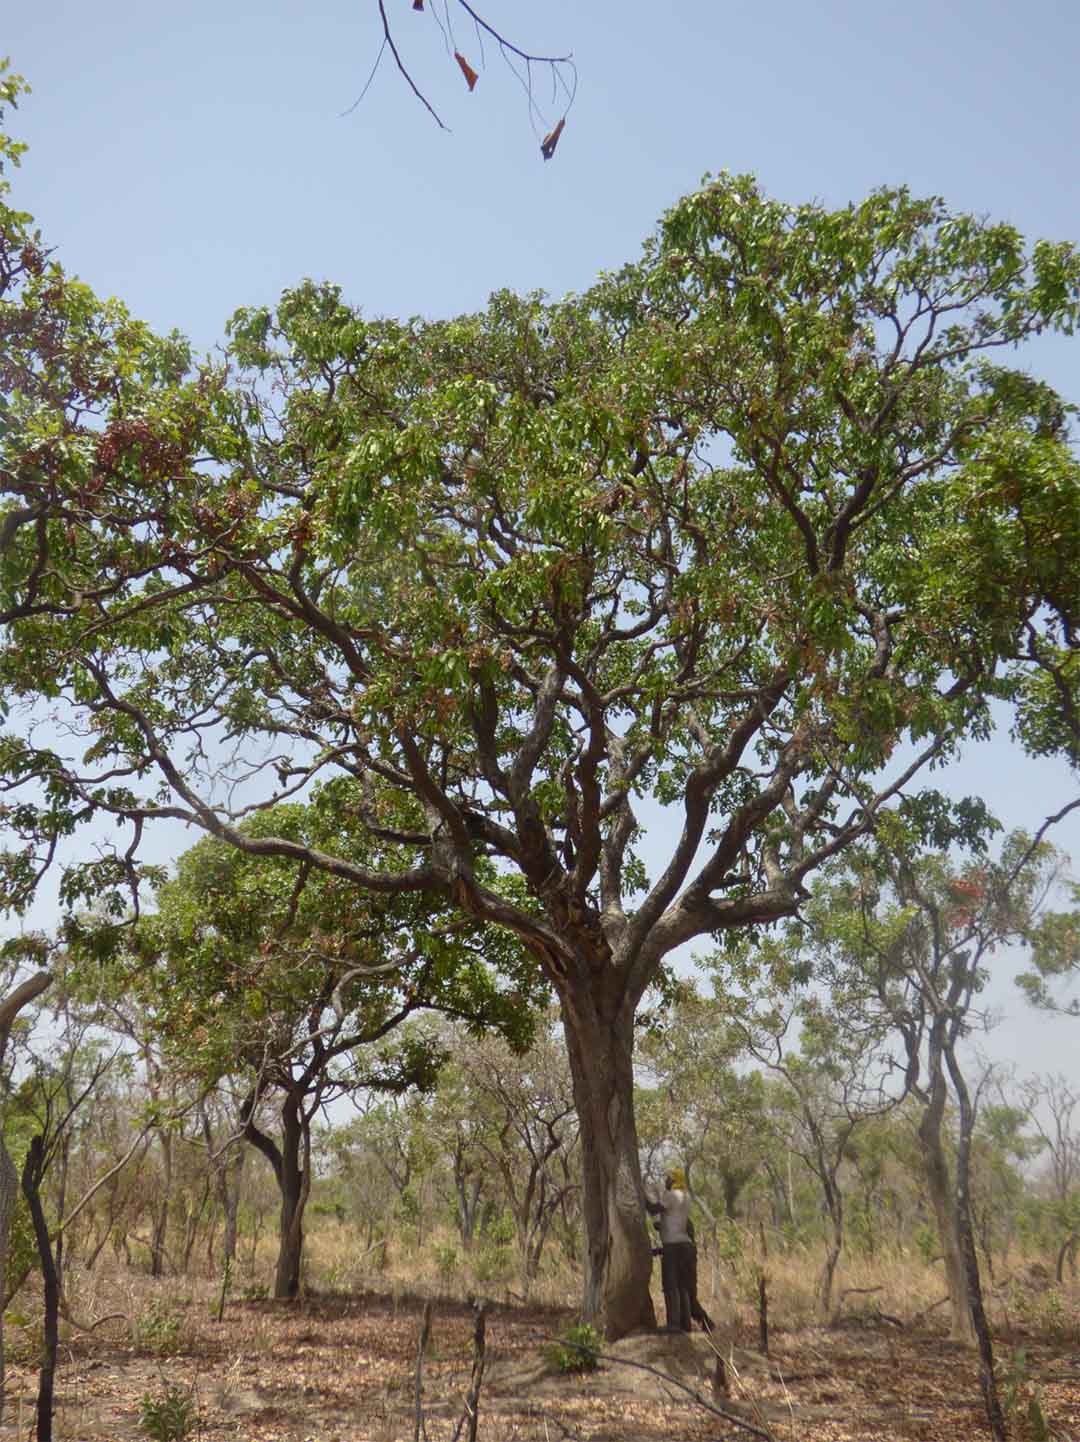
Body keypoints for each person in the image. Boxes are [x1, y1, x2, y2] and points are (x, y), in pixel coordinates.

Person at [644, 1169, 695, 1332]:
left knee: (671, 1286)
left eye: (668, 1178)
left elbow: (653, 1209)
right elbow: (673, 1221)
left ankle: (673, 1325)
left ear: (673, 1180)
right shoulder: (686, 1196)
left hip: (673, 1247)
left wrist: (641, 1195)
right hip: (685, 1246)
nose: (665, 1180)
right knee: (682, 1286)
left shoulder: (672, 1195)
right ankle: (685, 1324)